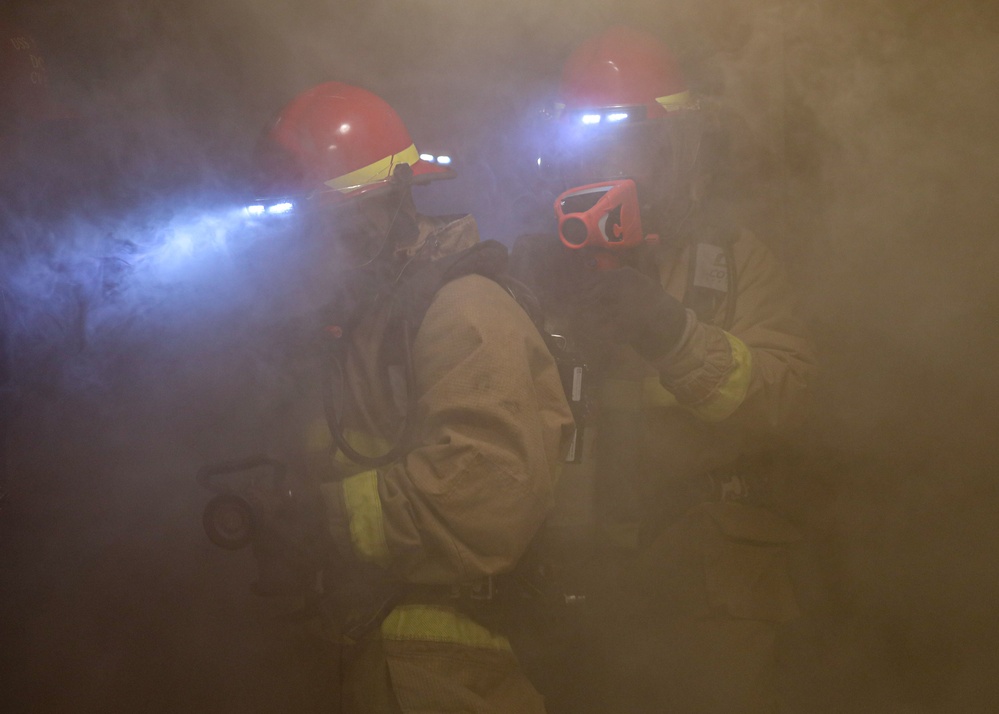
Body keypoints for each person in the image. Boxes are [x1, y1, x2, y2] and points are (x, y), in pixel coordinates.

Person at [511, 26, 816, 713]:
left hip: (709, 590)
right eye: (592, 144)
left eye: (639, 144)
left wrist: (673, 334)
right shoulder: (529, 275)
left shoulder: (734, 262)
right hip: (567, 584)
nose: (619, 167)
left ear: (680, 148)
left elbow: (787, 398)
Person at [248, 81, 574, 713]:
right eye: (303, 230)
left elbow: (482, 495)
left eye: (338, 227)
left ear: (395, 205)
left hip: (454, 669)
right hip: (368, 649)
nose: (318, 251)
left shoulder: (464, 309)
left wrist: (321, 518)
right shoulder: (358, 325)